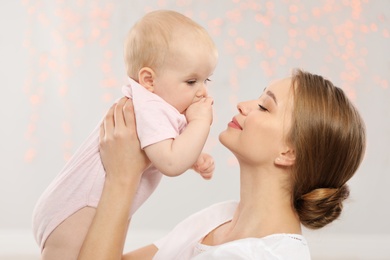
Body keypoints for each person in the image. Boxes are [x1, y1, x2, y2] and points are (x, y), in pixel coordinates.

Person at [78, 69, 366, 259]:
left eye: (264, 106)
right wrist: (138, 168)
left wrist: (123, 178)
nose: (243, 104)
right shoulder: (219, 218)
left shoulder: (267, 256)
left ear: (288, 153)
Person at [32, 10, 218, 259]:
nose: (202, 92)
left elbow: (163, 147)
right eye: (192, 81)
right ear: (149, 80)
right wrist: (201, 123)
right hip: (76, 209)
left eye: (207, 80)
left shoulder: (154, 107)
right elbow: (171, 162)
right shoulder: (151, 106)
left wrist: (193, 157)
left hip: (75, 205)